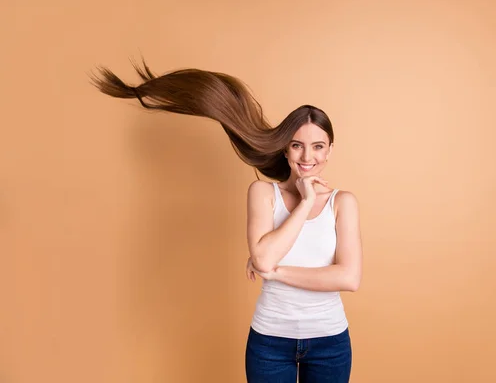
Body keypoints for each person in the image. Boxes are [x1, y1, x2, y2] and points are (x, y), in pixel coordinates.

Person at [89, 59, 363, 383]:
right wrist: (304, 204)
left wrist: (277, 273)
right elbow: (263, 257)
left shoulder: (342, 202)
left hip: (329, 341)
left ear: (330, 150)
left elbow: (348, 278)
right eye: (297, 145)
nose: (307, 157)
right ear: (285, 149)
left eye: (318, 146)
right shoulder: (262, 193)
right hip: (270, 341)